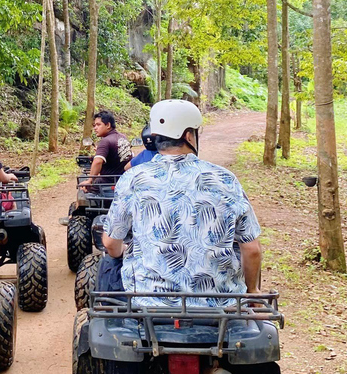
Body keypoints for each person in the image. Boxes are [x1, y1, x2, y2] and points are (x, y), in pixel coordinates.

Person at [101, 100, 263, 308]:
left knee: (109, 262)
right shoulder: (226, 179)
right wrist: (253, 291)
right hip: (221, 304)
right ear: (188, 135)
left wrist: (121, 250)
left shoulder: (133, 178)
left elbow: (110, 244)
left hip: (148, 303)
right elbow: (252, 249)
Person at [79, 111, 132, 188]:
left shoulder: (105, 141)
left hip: (108, 182)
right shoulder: (123, 137)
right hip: (125, 180)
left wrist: (90, 181)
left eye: (98, 125)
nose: (95, 128)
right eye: (94, 125)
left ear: (108, 125)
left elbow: (98, 162)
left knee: (84, 188)